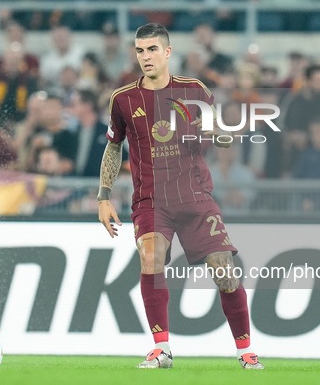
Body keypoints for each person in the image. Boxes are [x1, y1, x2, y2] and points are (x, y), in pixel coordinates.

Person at [97, 23, 264, 370]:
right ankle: (161, 349)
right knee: (151, 256)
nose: (145, 57)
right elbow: (113, 148)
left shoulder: (195, 91)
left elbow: (219, 134)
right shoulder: (123, 99)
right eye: (140, 50)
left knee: (225, 271)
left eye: (152, 49)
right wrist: (103, 196)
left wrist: (220, 136)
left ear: (168, 52)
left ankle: (245, 351)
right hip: (151, 200)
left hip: (195, 196)